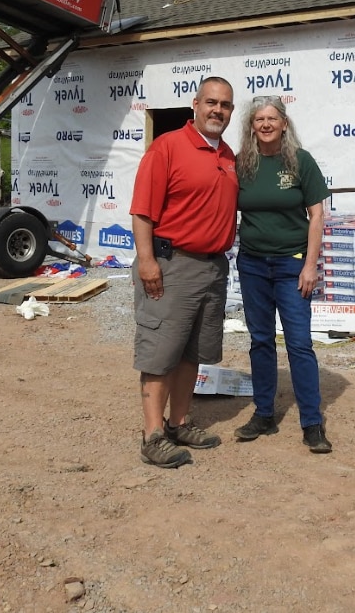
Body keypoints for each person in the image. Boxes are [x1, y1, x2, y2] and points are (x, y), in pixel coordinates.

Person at [129, 77, 239, 468]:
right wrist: (147, 262)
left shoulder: (227, 154)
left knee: (192, 352)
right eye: (211, 102)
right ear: (195, 104)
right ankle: (152, 434)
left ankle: (178, 423)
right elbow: (142, 211)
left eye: (225, 105)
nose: (218, 111)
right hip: (172, 265)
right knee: (161, 353)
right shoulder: (168, 148)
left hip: (212, 268)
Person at [233, 96, 333, 453]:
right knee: (260, 341)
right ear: (251, 125)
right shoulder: (241, 163)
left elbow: (317, 215)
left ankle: (312, 422)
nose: (265, 124)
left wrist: (310, 265)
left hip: (292, 265)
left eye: (272, 118)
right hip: (253, 265)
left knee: (299, 344)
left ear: (284, 123)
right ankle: (263, 414)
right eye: (259, 118)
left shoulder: (300, 161)